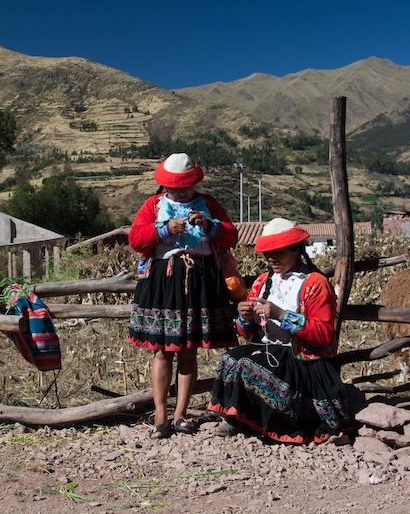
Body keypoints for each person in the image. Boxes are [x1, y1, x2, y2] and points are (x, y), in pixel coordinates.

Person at [208, 218, 353, 444]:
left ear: (296, 250)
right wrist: (245, 318)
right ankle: (237, 417)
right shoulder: (263, 282)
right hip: (271, 351)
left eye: (279, 253)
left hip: (305, 361)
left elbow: (324, 334)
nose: (271, 259)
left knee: (248, 367)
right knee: (230, 359)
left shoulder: (315, 283)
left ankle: (279, 422)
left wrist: (281, 315)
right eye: (268, 254)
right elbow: (247, 333)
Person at [128, 153, 238, 439]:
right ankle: (160, 415)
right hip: (164, 282)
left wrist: (209, 225)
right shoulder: (154, 205)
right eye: (176, 187)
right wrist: (163, 229)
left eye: (186, 186)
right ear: (165, 186)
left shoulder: (209, 205)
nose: (181, 191)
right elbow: (136, 238)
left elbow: (231, 236)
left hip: (200, 280)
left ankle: (180, 414)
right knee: (163, 350)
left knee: (188, 350)